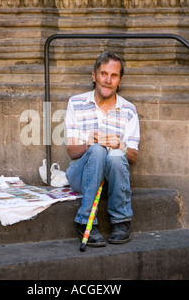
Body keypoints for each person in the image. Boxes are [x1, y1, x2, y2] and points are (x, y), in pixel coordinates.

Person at [64, 51, 140, 247]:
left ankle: (121, 221)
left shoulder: (129, 110)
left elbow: (133, 157)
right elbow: (71, 152)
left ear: (120, 81)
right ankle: (85, 219)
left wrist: (120, 145)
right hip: (81, 175)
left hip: (112, 180)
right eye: (103, 74)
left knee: (115, 155)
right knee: (97, 150)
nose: (108, 80)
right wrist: (90, 144)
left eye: (114, 75)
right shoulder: (76, 103)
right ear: (94, 76)